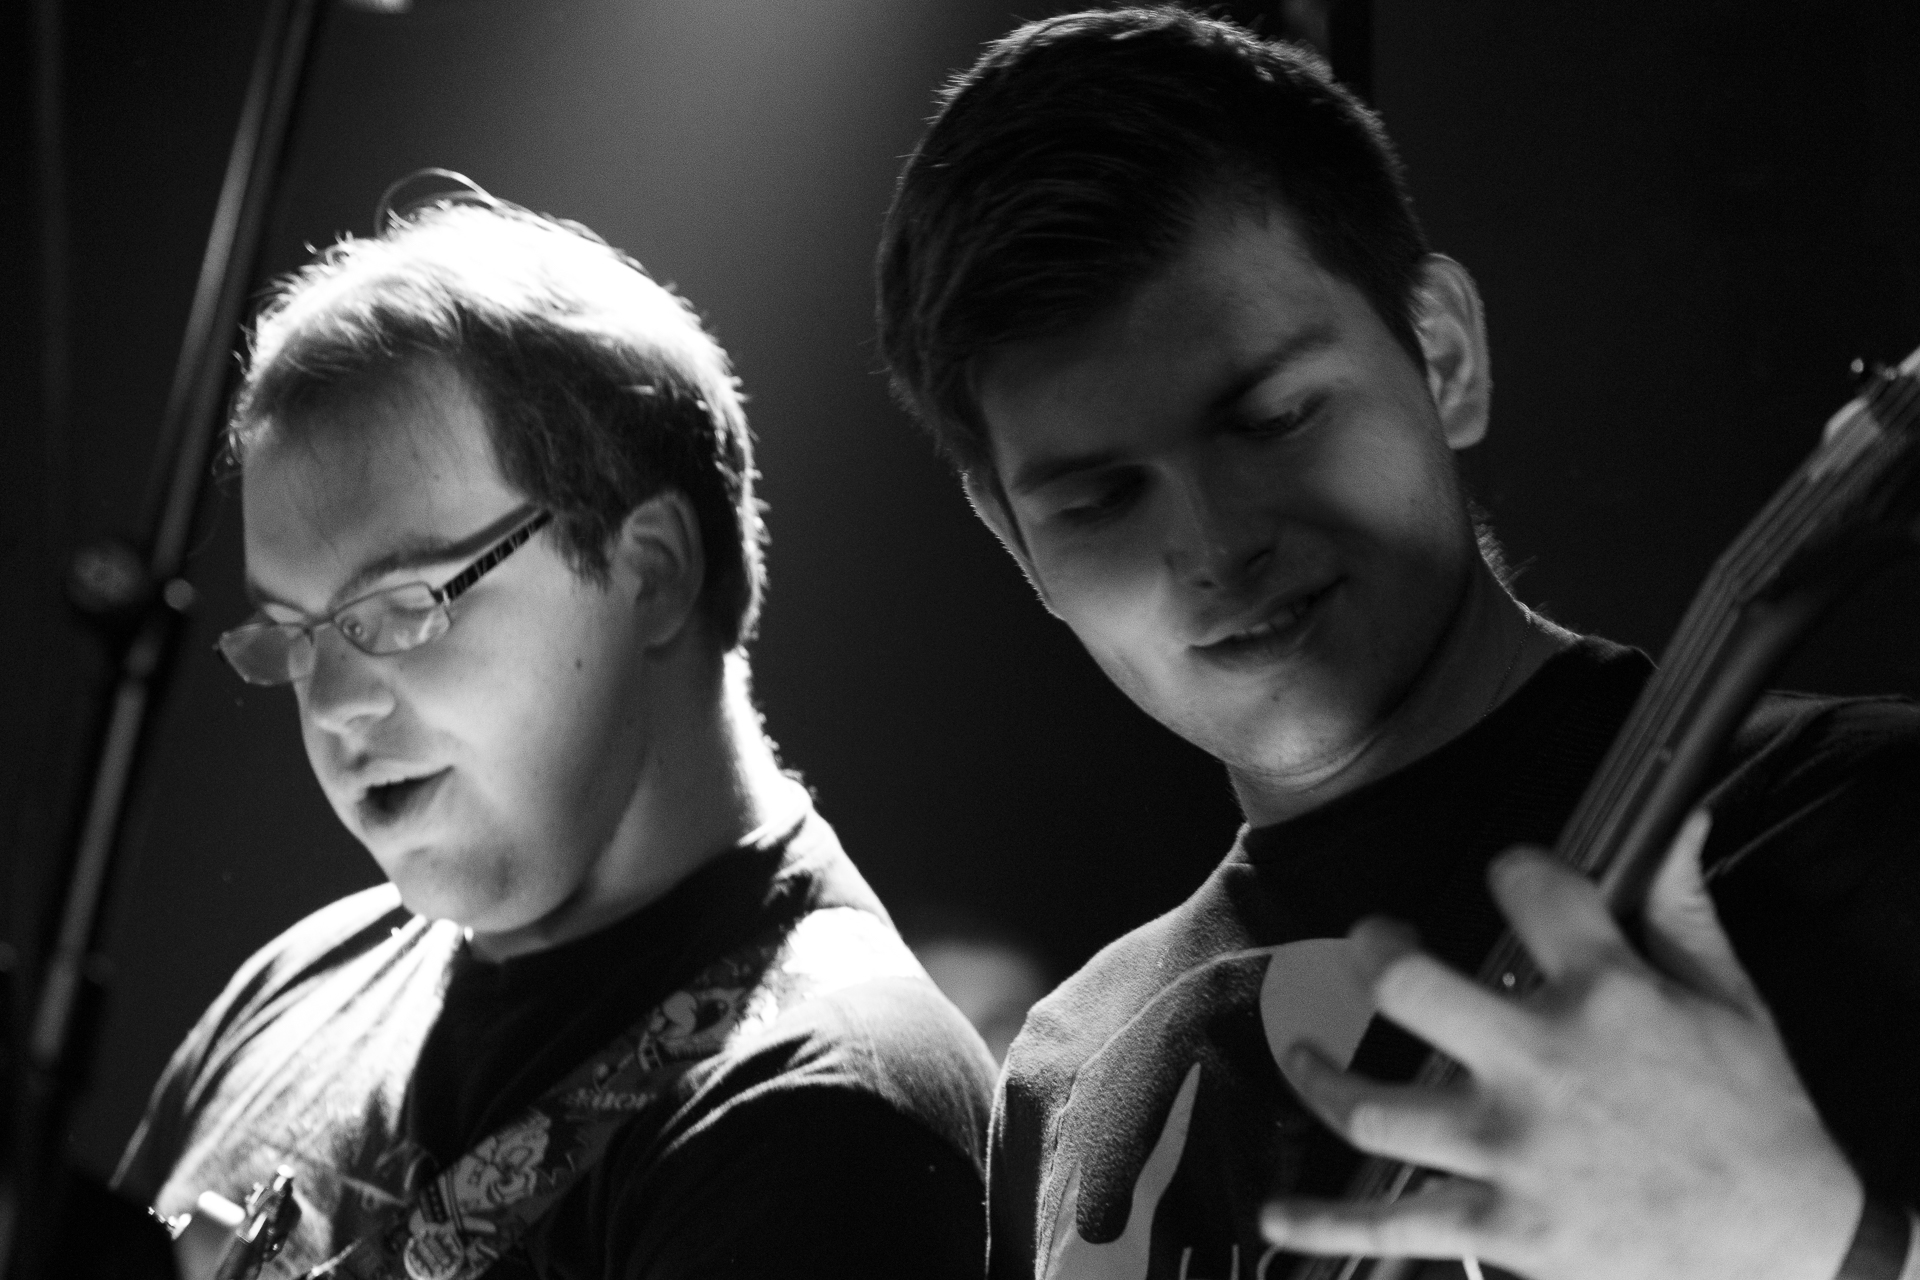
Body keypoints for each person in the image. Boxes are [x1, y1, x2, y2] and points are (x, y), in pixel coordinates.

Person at [875, 8, 1920, 1280]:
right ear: (1013, 539)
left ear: (1443, 352)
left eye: (1274, 415)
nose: (1214, 544)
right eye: (1098, 501)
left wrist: (1830, 1246)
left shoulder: (1860, 824)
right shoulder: (1067, 1064)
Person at [114, 194, 998, 1278]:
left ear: (651, 571)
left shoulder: (828, 1112)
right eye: (291, 635)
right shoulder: (287, 989)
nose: (333, 700)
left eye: (399, 605)